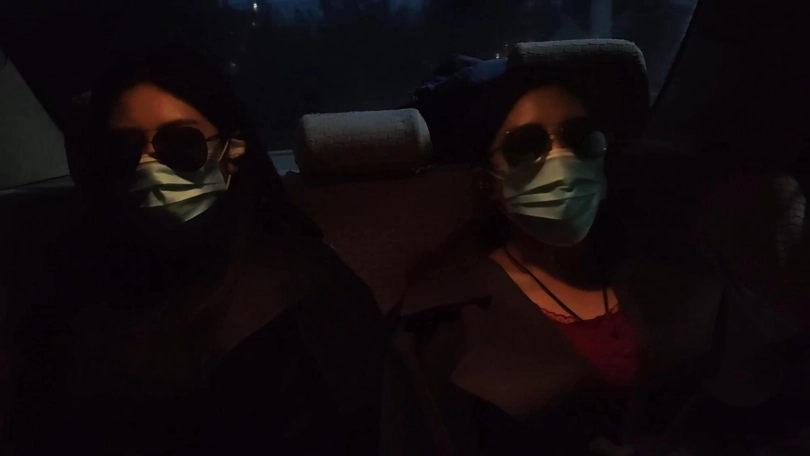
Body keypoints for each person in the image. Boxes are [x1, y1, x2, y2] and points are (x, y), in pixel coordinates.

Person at [9, 46, 387, 455]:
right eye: (124, 150)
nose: (149, 169)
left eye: (181, 145)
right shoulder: (78, 283)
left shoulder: (301, 302)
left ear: (232, 151)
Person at [381, 55, 727, 455]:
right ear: (488, 182)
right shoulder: (442, 327)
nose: (562, 161)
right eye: (526, 147)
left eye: (579, 139)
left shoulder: (675, 276)